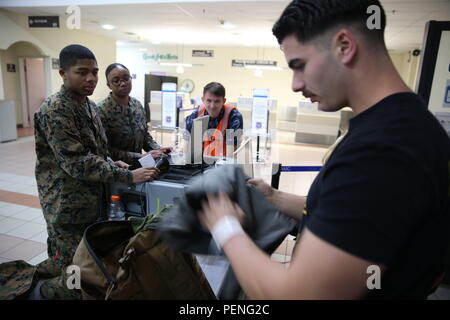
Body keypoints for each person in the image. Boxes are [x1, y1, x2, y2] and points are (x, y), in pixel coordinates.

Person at [198, 0, 450, 299]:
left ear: (344, 45)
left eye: (299, 65)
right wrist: (274, 196)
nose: (295, 84)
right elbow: (351, 215)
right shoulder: (404, 124)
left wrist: (227, 229)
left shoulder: (382, 150)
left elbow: (298, 295)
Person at [32, 45, 159, 299]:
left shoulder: (88, 107)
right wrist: (128, 175)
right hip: (67, 207)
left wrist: (114, 163)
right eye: (82, 72)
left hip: (91, 201)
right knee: (73, 273)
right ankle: (37, 293)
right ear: (63, 73)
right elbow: (77, 162)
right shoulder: (56, 109)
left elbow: (97, 151)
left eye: (94, 72)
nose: (90, 78)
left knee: (87, 266)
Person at [97, 63, 171, 168]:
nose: (122, 83)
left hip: (142, 165)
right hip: (117, 169)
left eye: (126, 78)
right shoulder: (101, 111)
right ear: (109, 85)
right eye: (116, 80)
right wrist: (140, 156)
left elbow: (145, 136)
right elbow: (105, 150)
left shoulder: (137, 105)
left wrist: (157, 150)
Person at [184, 82, 243, 158]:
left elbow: (230, 155)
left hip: (222, 164)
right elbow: (186, 150)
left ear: (224, 101)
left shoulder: (234, 117)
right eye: (209, 101)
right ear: (203, 100)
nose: (212, 106)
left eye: (217, 101)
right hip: (199, 164)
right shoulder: (195, 116)